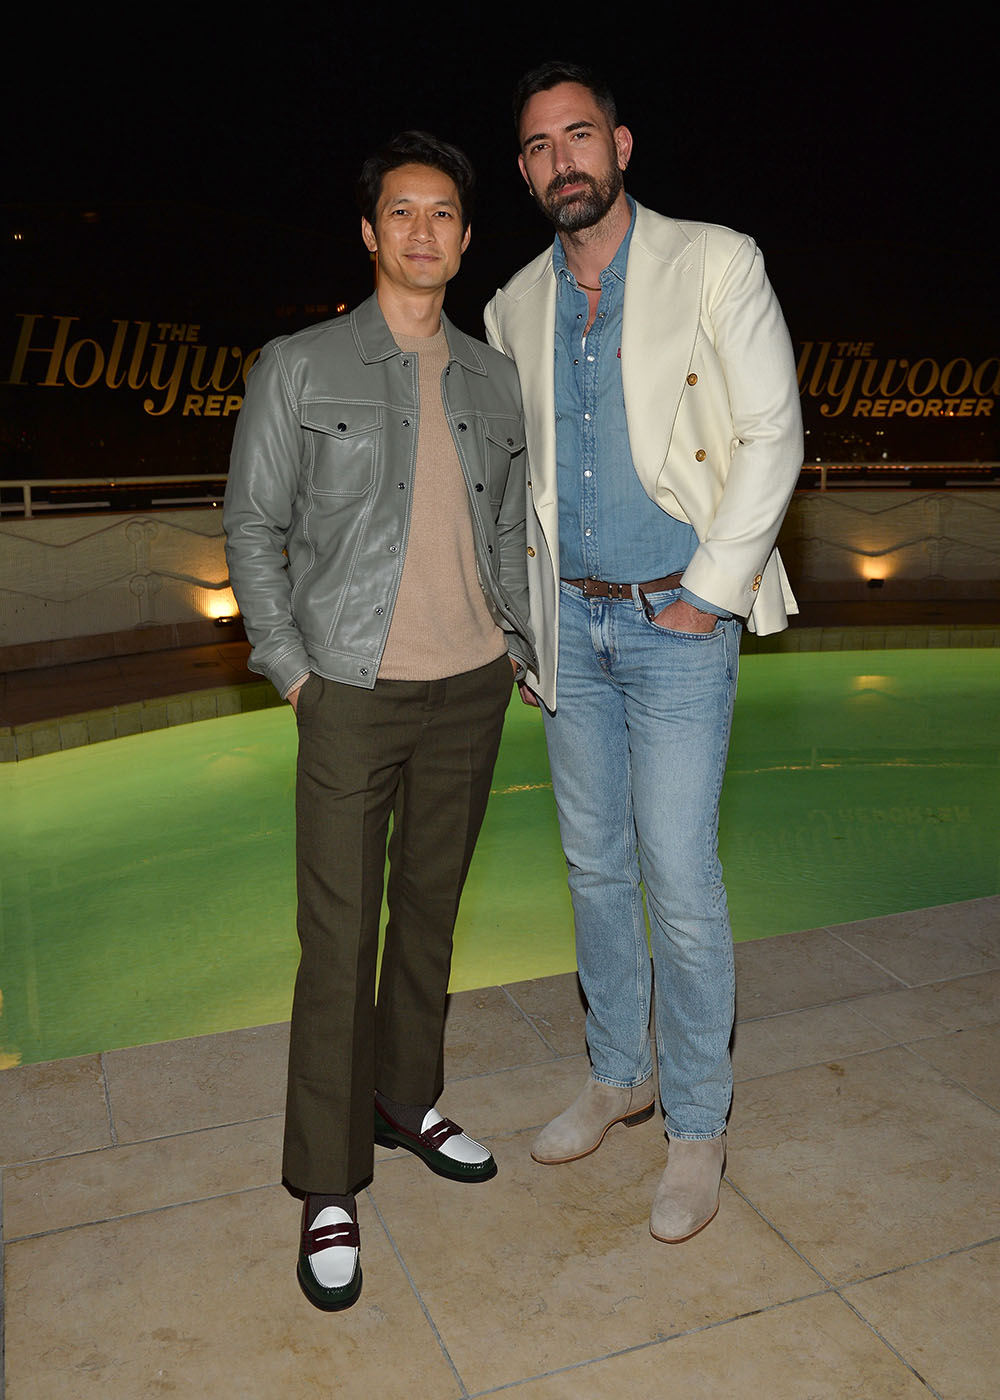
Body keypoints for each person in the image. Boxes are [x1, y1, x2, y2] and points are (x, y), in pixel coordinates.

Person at [485, 62, 803, 1243]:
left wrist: (707, 597)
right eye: (536, 146)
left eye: (578, 135)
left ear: (620, 144)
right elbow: (516, 486)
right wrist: (525, 624)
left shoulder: (715, 260)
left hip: (675, 622)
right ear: (523, 172)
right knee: (593, 866)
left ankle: (699, 1119)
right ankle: (618, 1071)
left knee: (678, 871)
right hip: (573, 622)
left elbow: (774, 429)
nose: (561, 158)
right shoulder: (512, 304)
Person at [224, 131, 534, 1311]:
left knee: (432, 918)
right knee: (340, 936)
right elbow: (252, 525)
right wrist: (294, 670)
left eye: (444, 214)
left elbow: (504, 529)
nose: (422, 232)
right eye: (400, 212)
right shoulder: (299, 365)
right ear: (369, 232)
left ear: (464, 234)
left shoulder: (492, 378)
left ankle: (406, 1099)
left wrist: (512, 646)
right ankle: (326, 1177)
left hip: (469, 687)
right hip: (349, 689)